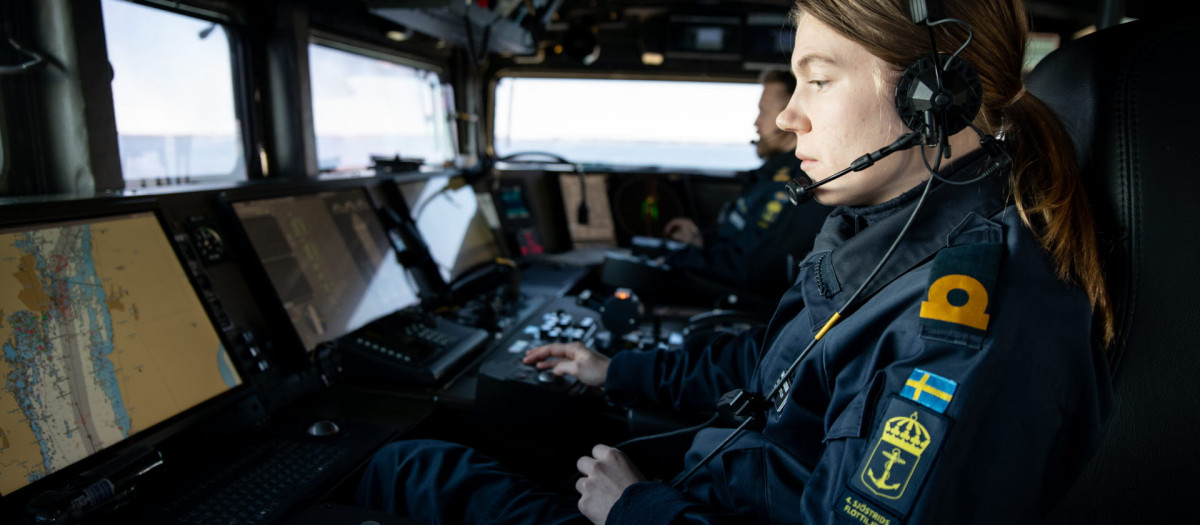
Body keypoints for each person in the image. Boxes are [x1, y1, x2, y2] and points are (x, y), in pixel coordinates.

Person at [355, 0, 1115, 522]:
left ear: (932, 95)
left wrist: (637, 509)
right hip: (711, 484)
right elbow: (775, 364)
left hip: (685, 504)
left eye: (818, 79)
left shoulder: (961, 333)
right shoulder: (878, 229)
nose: (789, 114)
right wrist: (613, 370)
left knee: (411, 467)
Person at [658, 70, 831, 305]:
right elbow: (743, 241)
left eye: (764, 112)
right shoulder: (768, 177)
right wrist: (699, 240)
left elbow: (755, 270)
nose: (756, 123)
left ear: (791, 118)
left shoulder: (802, 185)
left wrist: (678, 258)